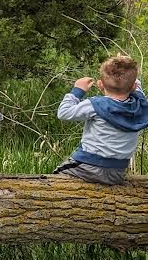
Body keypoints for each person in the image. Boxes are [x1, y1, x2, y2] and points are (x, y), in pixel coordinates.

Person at [55, 52, 148, 185]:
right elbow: (136, 85)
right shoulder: (140, 105)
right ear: (133, 87)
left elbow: (63, 113)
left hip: (86, 166)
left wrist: (77, 90)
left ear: (100, 84)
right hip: (117, 172)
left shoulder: (96, 104)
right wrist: (125, 65)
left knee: (51, 179)